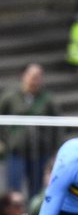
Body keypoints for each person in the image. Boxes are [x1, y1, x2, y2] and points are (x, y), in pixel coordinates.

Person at [0, 63, 59, 197]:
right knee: (13, 189)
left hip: (40, 151)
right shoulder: (10, 97)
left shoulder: (47, 99)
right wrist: (4, 140)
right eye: (32, 76)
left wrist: (56, 148)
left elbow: (58, 124)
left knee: (37, 190)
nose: (35, 80)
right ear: (24, 76)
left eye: (38, 77)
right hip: (16, 151)